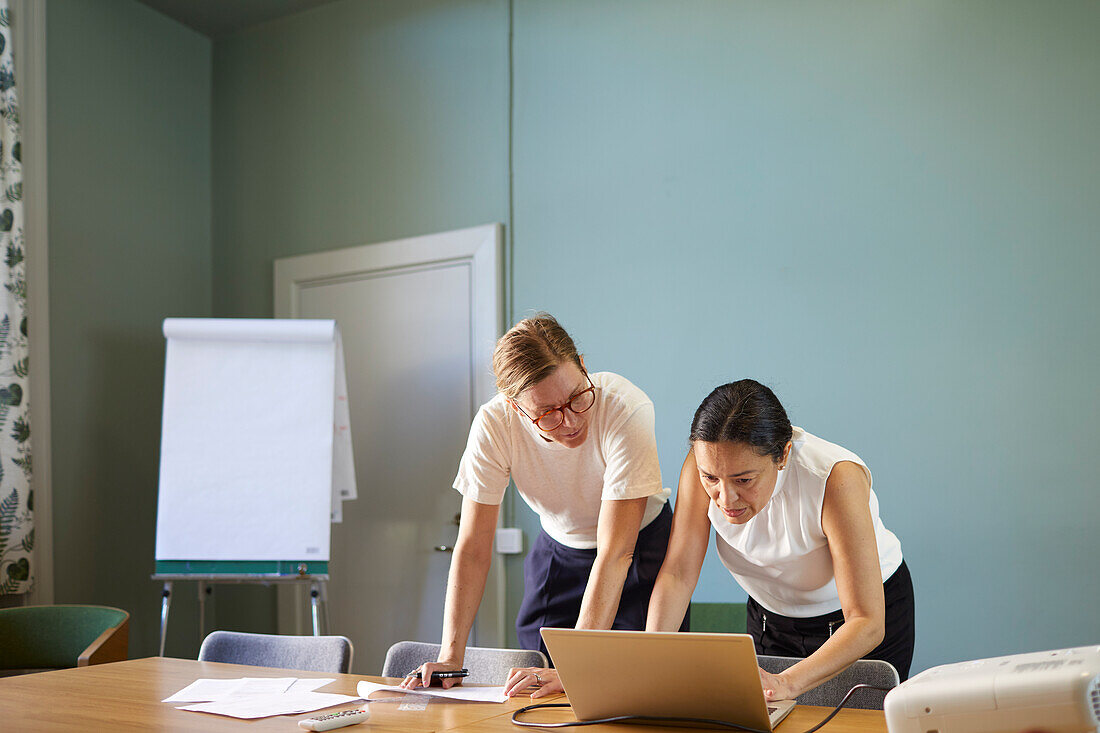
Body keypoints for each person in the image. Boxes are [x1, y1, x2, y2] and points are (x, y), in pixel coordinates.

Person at [401, 313, 676, 698]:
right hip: (558, 550)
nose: (570, 421)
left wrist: (577, 668)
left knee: (626, 684)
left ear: (583, 366)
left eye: (577, 396)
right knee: (536, 680)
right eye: (547, 413)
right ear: (515, 408)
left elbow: (615, 553)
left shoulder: (624, 407)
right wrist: (450, 657)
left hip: (638, 548)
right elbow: (474, 547)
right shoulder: (494, 425)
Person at [646, 379, 915, 702]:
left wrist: (787, 683)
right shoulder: (705, 465)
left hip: (855, 623)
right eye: (711, 479)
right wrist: (653, 657)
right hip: (769, 618)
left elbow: (867, 621)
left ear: (783, 454)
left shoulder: (835, 478)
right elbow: (678, 574)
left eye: (744, 479)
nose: (725, 498)